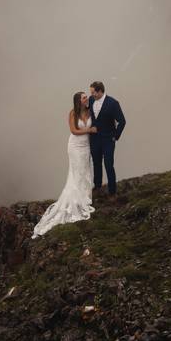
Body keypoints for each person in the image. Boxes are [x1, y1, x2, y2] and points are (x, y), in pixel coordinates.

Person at [31, 91, 98, 238]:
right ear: (78, 101)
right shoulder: (73, 113)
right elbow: (74, 131)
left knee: (85, 171)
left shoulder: (90, 111)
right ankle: (76, 200)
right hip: (75, 146)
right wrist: (89, 129)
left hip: (86, 146)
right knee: (76, 172)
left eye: (87, 96)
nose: (87, 98)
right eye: (84, 97)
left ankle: (85, 197)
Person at [88, 80, 125, 197]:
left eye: (93, 92)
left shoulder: (113, 103)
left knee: (109, 165)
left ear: (100, 91)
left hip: (108, 140)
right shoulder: (91, 100)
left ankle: (112, 191)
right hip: (94, 139)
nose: (91, 94)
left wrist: (115, 136)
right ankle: (97, 186)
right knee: (96, 163)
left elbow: (122, 121)